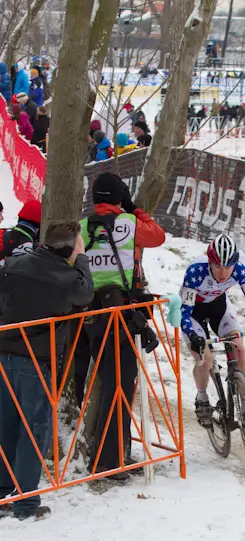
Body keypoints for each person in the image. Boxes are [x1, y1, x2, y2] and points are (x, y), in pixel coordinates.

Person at [0, 222, 94, 520]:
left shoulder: (13, 264)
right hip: (34, 361)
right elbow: (86, 294)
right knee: (34, 430)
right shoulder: (67, 276)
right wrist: (82, 262)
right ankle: (25, 503)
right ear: (69, 249)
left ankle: (3, 492)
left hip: (4, 355)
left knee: (6, 426)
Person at [80, 173, 165, 475]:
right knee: (120, 388)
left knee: (110, 385)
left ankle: (109, 454)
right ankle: (111, 462)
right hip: (123, 316)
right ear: (120, 198)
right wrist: (135, 209)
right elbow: (157, 235)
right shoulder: (129, 224)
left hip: (90, 317)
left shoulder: (82, 227)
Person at [179, 233, 245, 427]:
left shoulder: (240, 270)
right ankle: (202, 398)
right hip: (193, 313)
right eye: (218, 266)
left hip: (219, 307)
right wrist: (193, 335)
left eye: (228, 266)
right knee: (206, 359)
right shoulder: (196, 271)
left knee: (239, 348)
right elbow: (184, 313)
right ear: (210, 261)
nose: (223, 272)